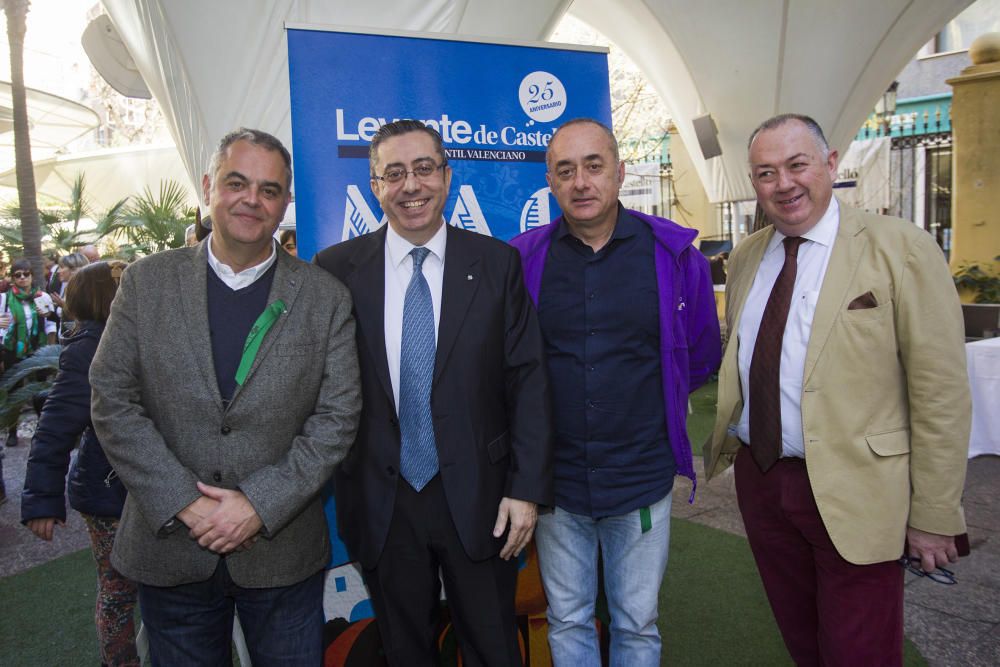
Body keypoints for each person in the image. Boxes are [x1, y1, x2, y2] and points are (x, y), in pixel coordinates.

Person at [704, 113, 970, 665]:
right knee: (803, 640)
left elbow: (941, 393)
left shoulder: (902, 249)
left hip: (859, 487)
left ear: (830, 164)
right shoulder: (750, 253)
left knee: (860, 650)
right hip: (764, 479)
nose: (784, 183)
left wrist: (935, 513)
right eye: (766, 172)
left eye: (797, 165)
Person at [90, 127, 362, 666]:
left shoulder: (325, 296)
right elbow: (112, 399)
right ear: (210, 185)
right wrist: (185, 503)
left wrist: (259, 505)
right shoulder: (146, 283)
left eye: (269, 189)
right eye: (237, 183)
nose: (251, 200)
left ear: (285, 202)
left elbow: (337, 418)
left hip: (281, 555)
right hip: (170, 550)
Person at [315, 119, 552, 666]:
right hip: (383, 501)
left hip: (482, 498)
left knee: (494, 647)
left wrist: (526, 489)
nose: (411, 185)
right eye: (393, 173)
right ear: (375, 186)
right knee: (405, 652)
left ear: (447, 176)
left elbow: (528, 379)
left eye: (424, 168)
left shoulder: (496, 264)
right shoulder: (336, 271)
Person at [509, 118, 721, 666]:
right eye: (565, 170)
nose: (581, 182)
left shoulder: (675, 257)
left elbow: (698, 354)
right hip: (557, 484)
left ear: (620, 173)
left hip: (640, 476)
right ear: (551, 183)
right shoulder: (521, 261)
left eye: (594, 166)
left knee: (637, 623)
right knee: (568, 619)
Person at [21, 260, 139, 666]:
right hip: (107, 494)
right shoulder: (89, 347)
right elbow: (55, 427)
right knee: (119, 590)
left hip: (141, 488)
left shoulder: (135, 335)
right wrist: (41, 500)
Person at [0, 258, 58, 448]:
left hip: (38, 350)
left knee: (41, 390)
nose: (23, 278)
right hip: (12, 352)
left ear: (32, 276)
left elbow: (51, 324)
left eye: (26, 274)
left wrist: (49, 345)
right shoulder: (4, 298)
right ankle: (12, 431)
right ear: (13, 278)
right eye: (18, 275)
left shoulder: (42, 296)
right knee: (14, 391)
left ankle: (44, 429)